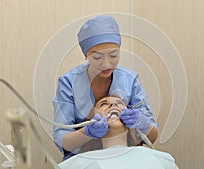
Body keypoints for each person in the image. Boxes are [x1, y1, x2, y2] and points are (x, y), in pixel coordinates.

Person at [53, 15, 158, 160]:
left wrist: (143, 123)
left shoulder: (130, 80)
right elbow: (61, 139)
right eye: (97, 57)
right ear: (86, 55)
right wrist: (87, 133)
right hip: (84, 158)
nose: (107, 64)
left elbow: (151, 137)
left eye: (113, 55)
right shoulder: (69, 83)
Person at [58, 96, 178, 169]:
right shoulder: (76, 164)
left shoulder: (161, 160)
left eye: (120, 103)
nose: (113, 104)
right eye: (103, 104)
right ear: (91, 121)